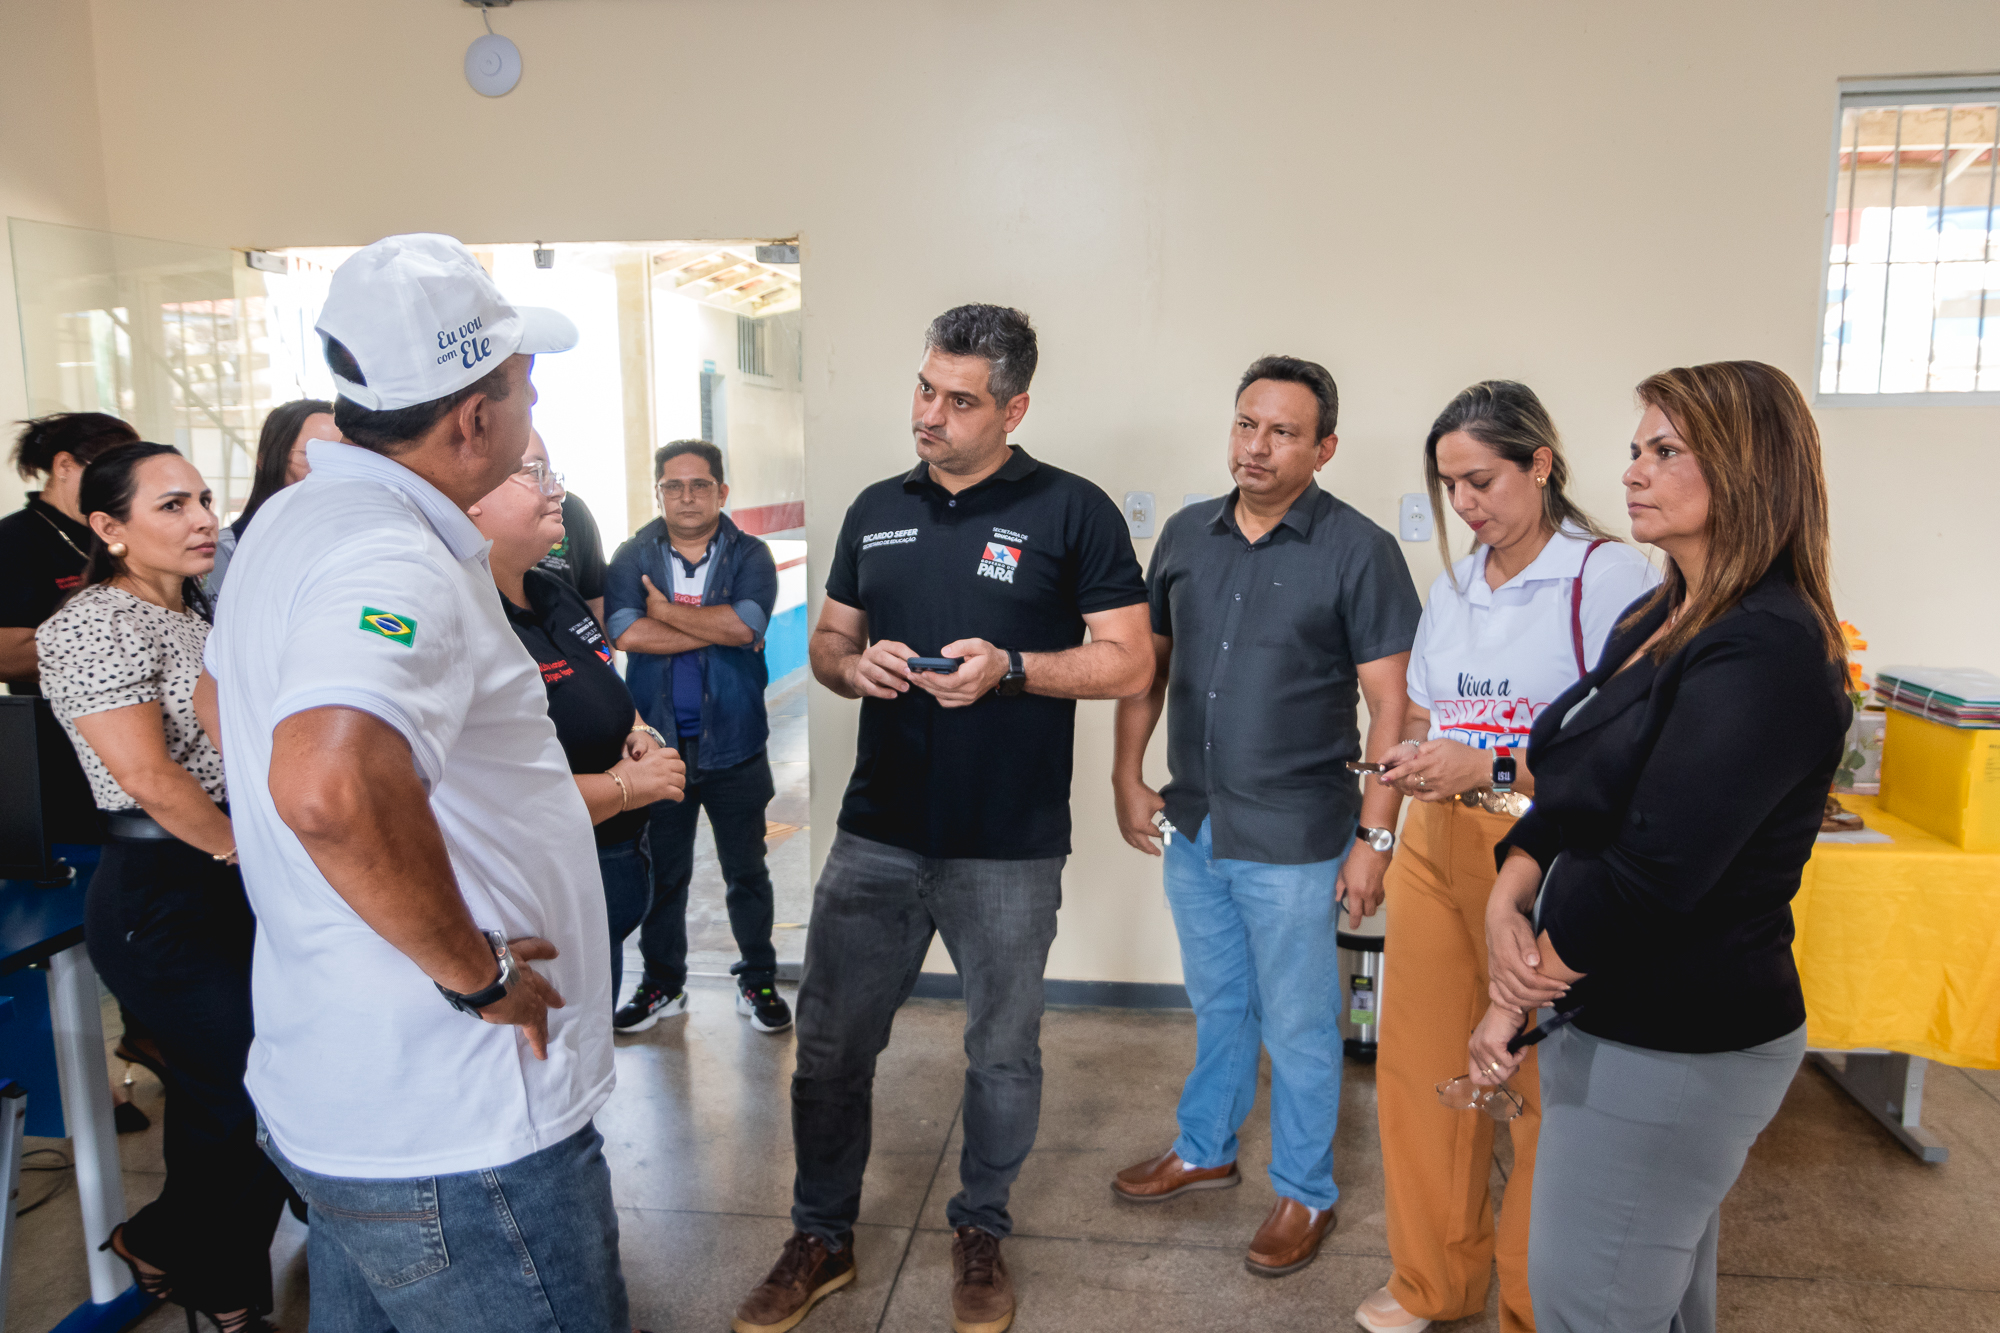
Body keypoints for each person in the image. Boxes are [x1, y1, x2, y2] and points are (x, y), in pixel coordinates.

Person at [203, 233, 641, 1333]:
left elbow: (221, 704)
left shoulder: (293, 520)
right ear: (474, 418)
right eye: (525, 384)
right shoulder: (390, 558)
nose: (532, 405)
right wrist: (478, 975)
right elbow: (327, 782)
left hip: (348, 1093)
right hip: (460, 1123)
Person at [732, 304, 1153, 1333]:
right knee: (831, 1048)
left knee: (1002, 1053)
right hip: (876, 834)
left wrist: (1011, 668)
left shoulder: (1071, 510)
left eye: (959, 400)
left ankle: (980, 1228)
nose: (929, 413)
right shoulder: (877, 506)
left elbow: (1129, 660)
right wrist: (853, 666)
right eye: (925, 387)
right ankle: (821, 1234)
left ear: (1013, 408)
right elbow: (829, 641)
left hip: (1007, 845)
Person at [1468, 361, 1850, 1333]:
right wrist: (1508, 891)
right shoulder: (1662, 613)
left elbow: (1656, 868)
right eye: (1636, 448)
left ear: (1748, 468)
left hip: (1680, 1034)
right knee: (1647, 1298)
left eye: (1666, 450)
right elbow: (1572, 783)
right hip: (1608, 1008)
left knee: (1588, 1304)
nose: (1632, 470)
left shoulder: (1768, 649)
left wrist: (1520, 984)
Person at [1109, 355, 1422, 1279]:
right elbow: (1147, 669)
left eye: (1284, 432)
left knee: (1299, 1022)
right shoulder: (1184, 536)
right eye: (1247, 424)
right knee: (1219, 1004)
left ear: (1325, 448)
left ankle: (1306, 1191)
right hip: (1196, 823)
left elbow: (1394, 708)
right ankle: (1205, 1147)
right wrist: (1126, 774)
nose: (1258, 446)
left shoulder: (1360, 550)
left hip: (1296, 836)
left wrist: (1374, 840)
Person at [1356, 382, 1656, 1333]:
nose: (1465, 503)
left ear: (1541, 464)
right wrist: (1404, 775)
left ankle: (1533, 1304)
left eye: (1481, 480)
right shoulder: (1454, 586)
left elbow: (1621, 747)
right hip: (1436, 837)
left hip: (1542, 845)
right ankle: (1431, 1282)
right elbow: (1426, 710)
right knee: (1420, 1067)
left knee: (1532, 1080)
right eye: (1450, 485)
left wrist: (1483, 761)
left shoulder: (1608, 576)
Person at [37, 441, 288, 1333]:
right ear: (108, 528)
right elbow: (147, 775)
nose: (203, 519)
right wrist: (249, 853)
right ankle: (210, 1280)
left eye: (205, 499)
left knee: (244, 1087)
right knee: (247, 1085)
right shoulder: (93, 624)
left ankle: (168, 1244)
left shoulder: (203, 610)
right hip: (165, 891)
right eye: (172, 505)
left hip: (233, 867)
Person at [467, 429, 687, 1001]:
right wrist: (626, 786)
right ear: (470, 494)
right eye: (533, 472)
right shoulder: (467, 620)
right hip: (541, 890)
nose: (557, 490)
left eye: (553, 472)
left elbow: (605, 685)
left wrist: (638, 730)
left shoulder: (552, 592)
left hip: (613, 861)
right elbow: (497, 798)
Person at [605, 439, 785, 1034]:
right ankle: (663, 984)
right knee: (664, 876)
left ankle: (757, 978)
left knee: (747, 872)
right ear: (658, 492)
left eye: (700, 484)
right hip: (657, 750)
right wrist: (719, 627)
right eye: (673, 486)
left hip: (736, 744)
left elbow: (747, 623)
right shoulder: (633, 555)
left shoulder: (750, 554)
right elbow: (625, 632)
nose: (687, 496)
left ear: (721, 492)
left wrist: (664, 612)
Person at [1, 411, 141, 692]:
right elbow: (7, 655)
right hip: (57, 712)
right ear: (64, 465)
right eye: (108, 476)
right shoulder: (13, 540)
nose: (119, 490)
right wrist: (130, 644)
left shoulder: (123, 532)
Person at [204, 397, 336, 596]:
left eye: (340, 457)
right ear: (264, 459)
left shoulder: (363, 542)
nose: (332, 470)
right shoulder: (225, 551)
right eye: (313, 455)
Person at [532, 428, 610, 630]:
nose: (558, 491)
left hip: (569, 641)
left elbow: (595, 597)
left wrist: (600, 650)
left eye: (547, 473)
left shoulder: (572, 510)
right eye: (534, 473)